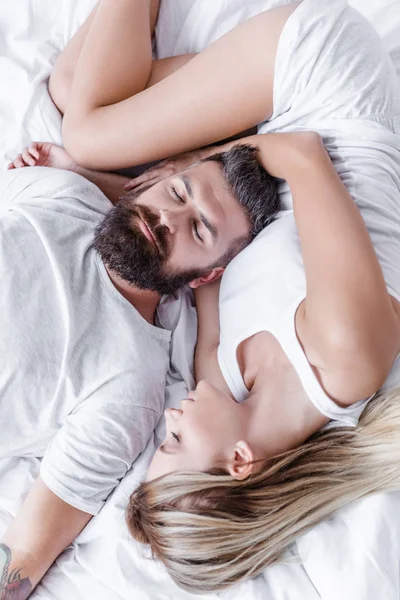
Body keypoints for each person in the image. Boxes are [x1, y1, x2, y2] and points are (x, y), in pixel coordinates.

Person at [52, 0, 400, 594]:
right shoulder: (348, 356)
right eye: (175, 441)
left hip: (267, 140)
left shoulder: (214, 373)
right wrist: (203, 159)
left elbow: (201, 259)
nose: (170, 417)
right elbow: (305, 153)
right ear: (240, 462)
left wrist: (78, 177)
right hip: (326, 86)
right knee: (89, 127)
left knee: (72, 87)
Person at [0, 137, 278, 599]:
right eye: (176, 194)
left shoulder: (129, 387)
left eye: (200, 231)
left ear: (207, 275)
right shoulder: (65, 194)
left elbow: (25, 552)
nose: (168, 220)